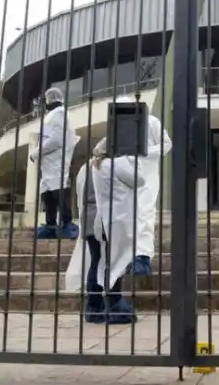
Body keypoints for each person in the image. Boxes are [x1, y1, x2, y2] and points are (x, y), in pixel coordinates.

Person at [65, 138, 138, 324]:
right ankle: (114, 305)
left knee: (96, 261)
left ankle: (93, 306)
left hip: (88, 219)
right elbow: (137, 181)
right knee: (112, 262)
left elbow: (79, 193)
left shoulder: (85, 168)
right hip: (105, 218)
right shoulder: (111, 166)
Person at [128, 101, 173, 277]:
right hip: (125, 174)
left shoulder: (152, 122)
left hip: (147, 175)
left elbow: (166, 144)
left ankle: (142, 256)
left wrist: (145, 151)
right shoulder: (122, 125)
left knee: (144, 214)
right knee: (127, 216)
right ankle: (128, 257)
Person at [30, 87, 80, 239]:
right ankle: (50, 224)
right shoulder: (51, 116)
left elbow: (57, 139)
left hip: (56, 160)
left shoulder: (59, 114)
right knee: (48, 193)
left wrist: (37, 152)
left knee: (58, 190)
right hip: (48, 163)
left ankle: (66, 223)